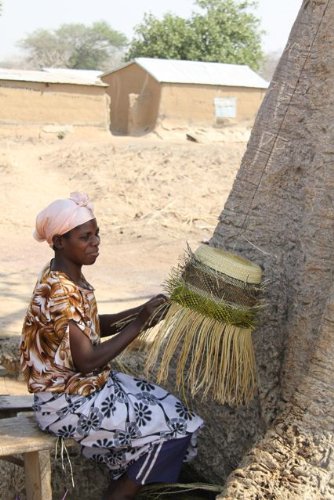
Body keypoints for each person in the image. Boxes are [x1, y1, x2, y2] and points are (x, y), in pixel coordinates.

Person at [20, 192, 203, 500]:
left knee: (172, 409)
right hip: (68, 405)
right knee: (176, 427)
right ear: (59, 242)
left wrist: (140, 312)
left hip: (82, 391)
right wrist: (139, 323)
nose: (95, 242)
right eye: (85, 237)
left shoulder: (62, 274)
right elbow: (87, 361)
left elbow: (90, 325)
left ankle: (128, 484)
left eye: (97, 234)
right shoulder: (60, 291)